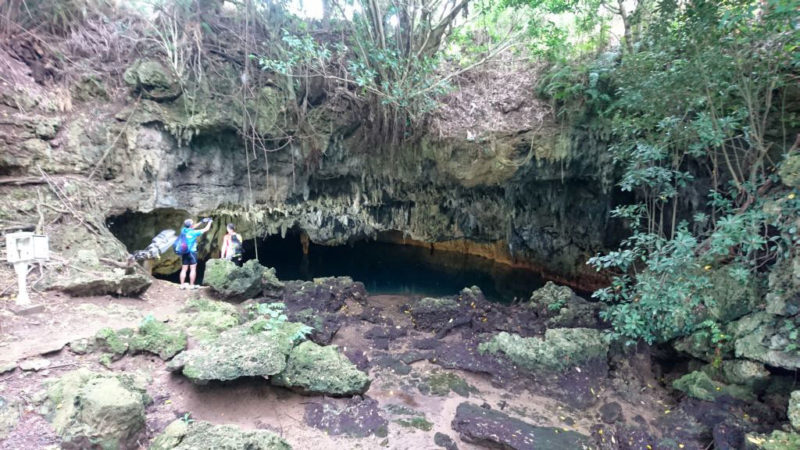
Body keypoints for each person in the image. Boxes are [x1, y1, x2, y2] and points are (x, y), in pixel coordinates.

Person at [176, 218, 212, 289]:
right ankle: (192, 285)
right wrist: (210, 222)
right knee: (193, 269)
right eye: (192, 224)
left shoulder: (183, 230)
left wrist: (201, 222)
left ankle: (182, 285)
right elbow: (206, 229)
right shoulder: (194, 232)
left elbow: (192, 227)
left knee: (184, 269)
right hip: (192, 252)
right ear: (191, 225)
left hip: (184, 252)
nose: (193, 225)